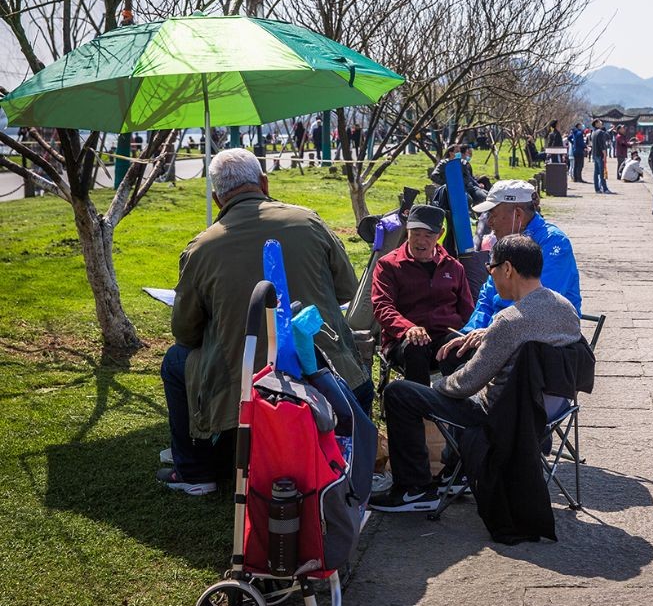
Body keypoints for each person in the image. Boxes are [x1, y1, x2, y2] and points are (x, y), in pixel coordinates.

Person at [159, 148, 368, 495]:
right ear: (264, 182)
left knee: (175, 361)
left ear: (216, 196)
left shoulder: (201, 248)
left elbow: (185, 332)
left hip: (244, 380)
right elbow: (346, 289)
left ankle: (195, 471)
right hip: (329, 370)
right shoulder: (309, 221)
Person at [371, 235, 582, 511]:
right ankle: (457, 473)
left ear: (507, 269)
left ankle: (415, 490)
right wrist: (487, 336)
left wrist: (434, 387)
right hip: (553, 409)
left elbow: (466, 384)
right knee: (461, 366)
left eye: (490, 268)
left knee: (400, 393)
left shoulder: (509, 322)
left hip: (505, 415)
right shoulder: (566, 309)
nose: (490, 277)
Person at [436, 180, 581, 363]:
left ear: (517, 214)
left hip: (539, 333)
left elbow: (540, 303)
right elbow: (487, 296)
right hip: (503, 328)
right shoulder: (505, 242)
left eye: (494, 214)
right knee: (454, 349)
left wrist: (492, 331)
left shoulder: (554, 243)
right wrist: (469, 332)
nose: (489, 222)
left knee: (469, 361)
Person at [371, 204, 475, 385]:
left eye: (428, 235)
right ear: (407, 231)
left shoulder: (453, 267)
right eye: (416, 234)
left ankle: (456, 405)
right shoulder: (388, 265)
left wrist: (471, 335)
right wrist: (407, 328)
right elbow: (382, 306)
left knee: (459, 345)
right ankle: (418, 408)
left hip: (444, 335)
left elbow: (467, 310)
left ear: (440, 234)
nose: (421, 241)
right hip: (405, 340)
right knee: (416, 346)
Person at [590, 118, 612, 194]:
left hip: (595, 154)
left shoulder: (593, 132)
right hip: (600, 154)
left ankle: (597, 188)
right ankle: (605, 188)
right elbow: (602, 145)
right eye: (599, 122)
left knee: (596, 172)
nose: (601, 122)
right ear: (596, 123)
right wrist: (605, 154)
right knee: (602, 172)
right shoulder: (601, 132)